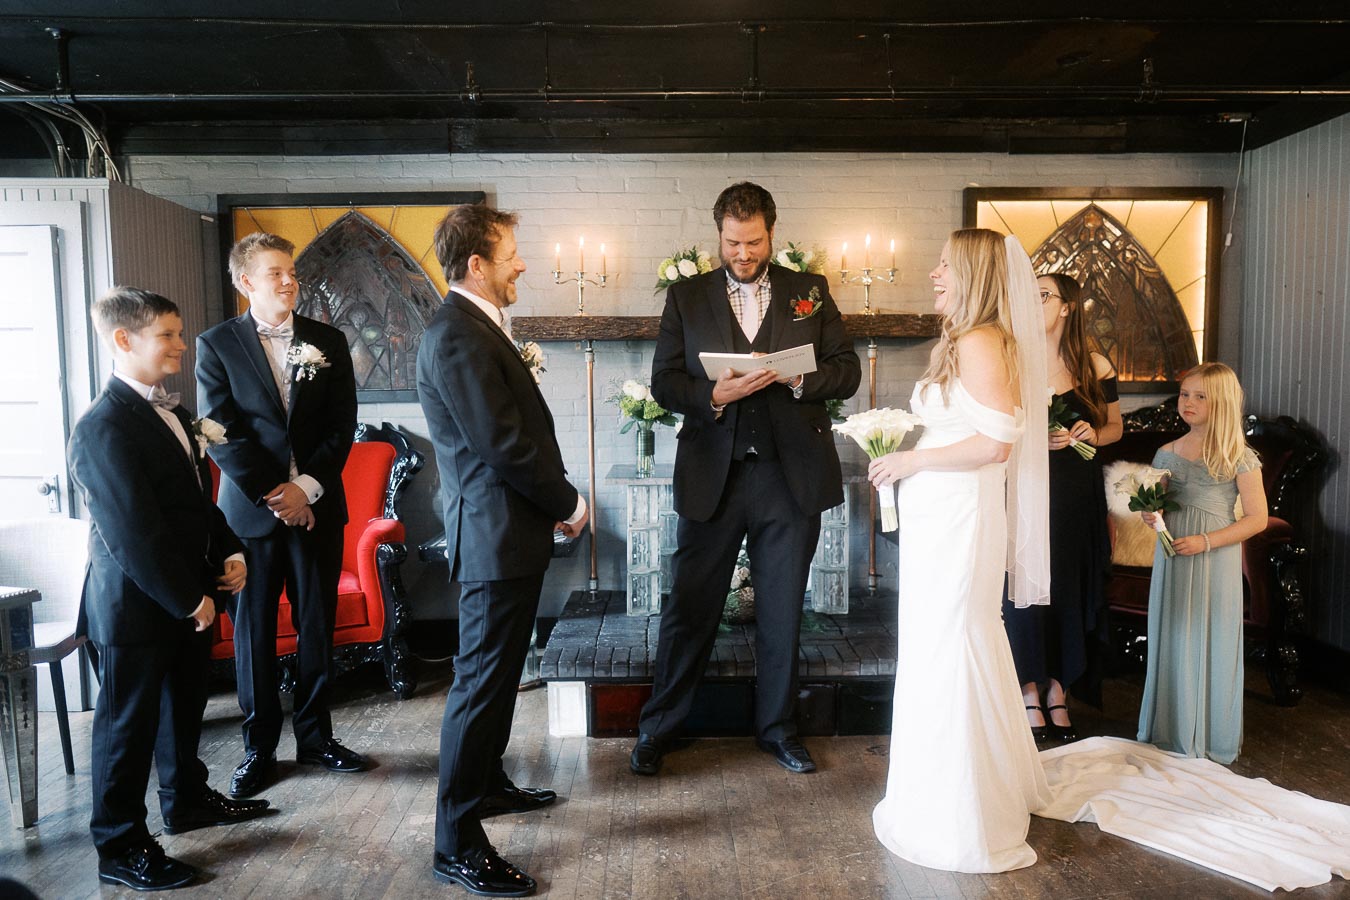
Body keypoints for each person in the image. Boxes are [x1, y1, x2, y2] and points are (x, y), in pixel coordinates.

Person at [629, 181, 861, 778]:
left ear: (771, 233)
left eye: (753, 242)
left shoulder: (810, 291)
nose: (743, 253)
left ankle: (778, 730)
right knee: (690, 608)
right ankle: (659, 728)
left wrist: (799, 380)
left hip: (790, 477)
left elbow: (847, 371)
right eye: (733, 242)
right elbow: (664, 382)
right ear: (719, 235)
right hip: (715, 476)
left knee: (781, 610)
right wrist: (713, 395)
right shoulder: (686, 297)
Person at [69, 287, 270, 892]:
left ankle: (186, 801)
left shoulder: (177, 416)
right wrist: (188, 599)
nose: (182, 345)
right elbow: (133, 533)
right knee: (125, 729)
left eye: (180, 334)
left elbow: (197, 501)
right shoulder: (101, 427)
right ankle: (120, 846)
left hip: (190, 595)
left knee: (184, 709)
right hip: (135, 606)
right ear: (123, 339)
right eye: (168, 335)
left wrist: (230, 550)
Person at [417, 203, 587, 897]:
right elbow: (504, 444)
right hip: (493, 536)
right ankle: (456, 843)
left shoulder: (476, 327)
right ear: (477, 263)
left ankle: (486, 783)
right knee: (479, 686)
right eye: (511, 252)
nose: (522, 263)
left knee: (499, 676)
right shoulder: (456, 334)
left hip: (508, 534)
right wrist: (568, 502)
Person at [868, 228, 1051, 872]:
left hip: (961, 517)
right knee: (944, 641)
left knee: (952, 641)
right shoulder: (969, 338)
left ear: (973, 274)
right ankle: (949, 790)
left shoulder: (980, 341)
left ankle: (961, 812)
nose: (935, 274)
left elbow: (996, 444)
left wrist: (911, 460)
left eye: (946, 265)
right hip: (942, 516)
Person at [196, 233, 366, 800]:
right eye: (276, 273)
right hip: (251, 515)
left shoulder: (328, 340)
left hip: (317, 509)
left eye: (291, 271)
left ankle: (317, 737)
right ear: (246, 282)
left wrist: (307, 489)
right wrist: (278, 494)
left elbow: (342, 423)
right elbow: (219, 431)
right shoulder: (216, 345)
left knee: (317, 624)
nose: (290, 281)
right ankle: (259, 748)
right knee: (254, 633)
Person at [1004, 273, 1122, 743]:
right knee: (1025, 587)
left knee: (1068, 586)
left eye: (1043, 295)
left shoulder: (1095, 365)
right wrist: (1033, 437)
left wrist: (1094, 433)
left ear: (1067, 306)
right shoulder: (1014, 360)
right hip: (1029, 487)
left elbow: (1115, 428)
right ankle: (1028, 689)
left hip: (1077, 492)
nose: (1033, 303)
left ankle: (1059, 688)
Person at [1136, 362, 1267, 763]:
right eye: (1184, 394)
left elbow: (1257, 519)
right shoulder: (1166, 453)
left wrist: (1207, 541)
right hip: (1174, 553)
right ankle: (1170, 729)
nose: (1187, 402)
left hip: (1215, 556)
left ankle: (1210, 735)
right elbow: (1152, 504)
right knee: (1174, 632)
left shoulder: (1239, 457)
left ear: (1221, 403)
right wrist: (1150, 514)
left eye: (1200, 396)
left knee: (1212, 636)